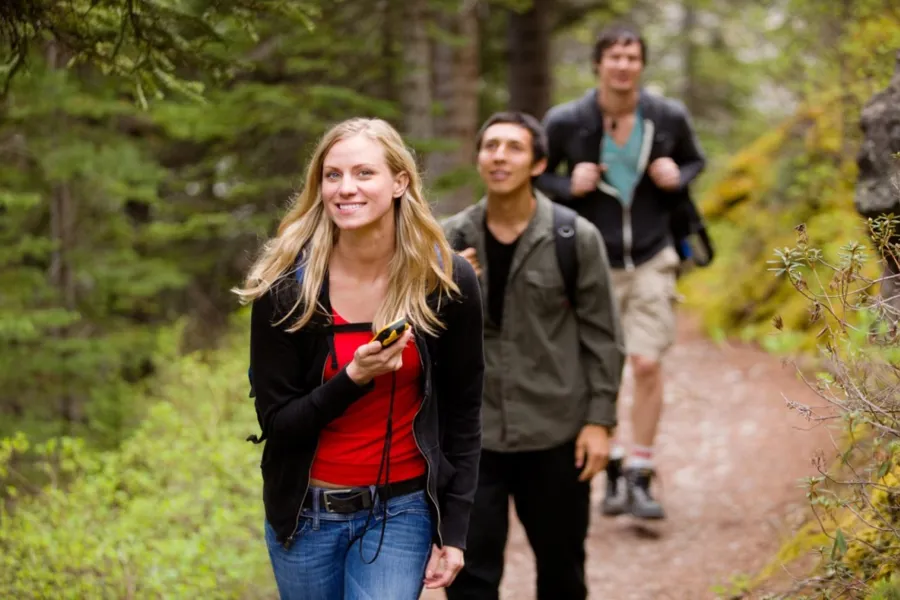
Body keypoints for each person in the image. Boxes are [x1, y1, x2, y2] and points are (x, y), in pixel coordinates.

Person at [234, 118, 485, 600]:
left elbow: (464, 412)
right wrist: (353, 378)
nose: (346, 188)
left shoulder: (444, 282)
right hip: (305, 516)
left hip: (401, 509)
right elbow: (279, 422)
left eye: (364, 174)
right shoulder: (287, 289)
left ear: (399, 182)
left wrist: (453, 532)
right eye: (333, 175)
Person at [443, 111, 625, 600]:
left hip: (556, 432)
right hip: (471, 440)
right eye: (490, 146)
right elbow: (421, 338)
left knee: (562, 570)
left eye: (514, 147)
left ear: (539, 163)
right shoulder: (446, 241)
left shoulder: (574, 237)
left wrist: (599, 421)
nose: (499, 156)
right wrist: (446, 285)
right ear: (479, 158)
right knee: (469, 576)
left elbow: (603, 337)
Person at [537, 23, 707, 520]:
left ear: (641, 65)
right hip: (589, 262)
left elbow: (696, 161)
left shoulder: (667, 115)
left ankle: (640, 471)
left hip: (654, 256)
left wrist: (678, 175)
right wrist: (568, 186)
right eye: (614, 56)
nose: (623, 65)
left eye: (632, 57)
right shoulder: (568, 120)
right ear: (598, 64)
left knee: (647, 362)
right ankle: (608, 464)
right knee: (594, 367)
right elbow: (538, 174)